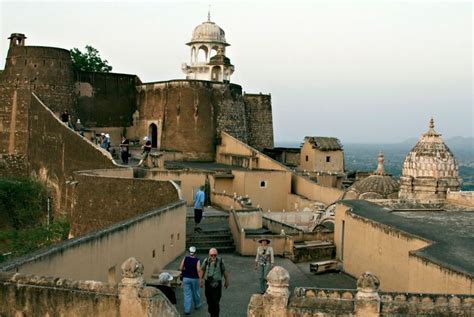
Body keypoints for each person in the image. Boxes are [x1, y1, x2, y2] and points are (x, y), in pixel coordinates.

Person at [201, 248, 229, 317]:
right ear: (209, 255)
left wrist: (226, 281)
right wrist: (200, 280)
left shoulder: (220, 261)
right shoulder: (206, 261)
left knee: (216, 302)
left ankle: (215, 315)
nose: (213, 257)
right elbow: (202, 270)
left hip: (217, 285)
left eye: (215, 255)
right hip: (208, 284)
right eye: (212, 255)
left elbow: (224, 271)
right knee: (209, 301)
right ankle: (212, 313)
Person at [179, 246, 202, 315]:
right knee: (196, 292)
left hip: (186, 278)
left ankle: (187, 310)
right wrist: (200, 280)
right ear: (195, 253)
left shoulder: (185, 258)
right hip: (195, 279)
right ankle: (197, 305)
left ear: (189, 252)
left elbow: (180, 267)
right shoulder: (197, 260)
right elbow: (198, 270)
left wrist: (184, 271)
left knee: (187, 294)